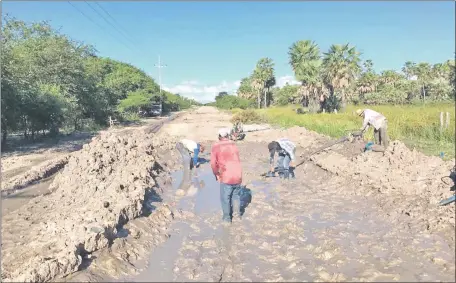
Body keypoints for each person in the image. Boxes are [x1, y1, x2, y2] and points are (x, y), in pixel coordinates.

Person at [210, 128, 243, 223]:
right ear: (228, 135)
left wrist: (216, 173)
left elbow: (213, 164)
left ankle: (227, 219)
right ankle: (237, 216)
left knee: (225, 198)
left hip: (226, 175)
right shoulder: (233, 144)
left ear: (219, 136)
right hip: (238, 174)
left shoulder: (216, 146)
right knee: (236, 196)